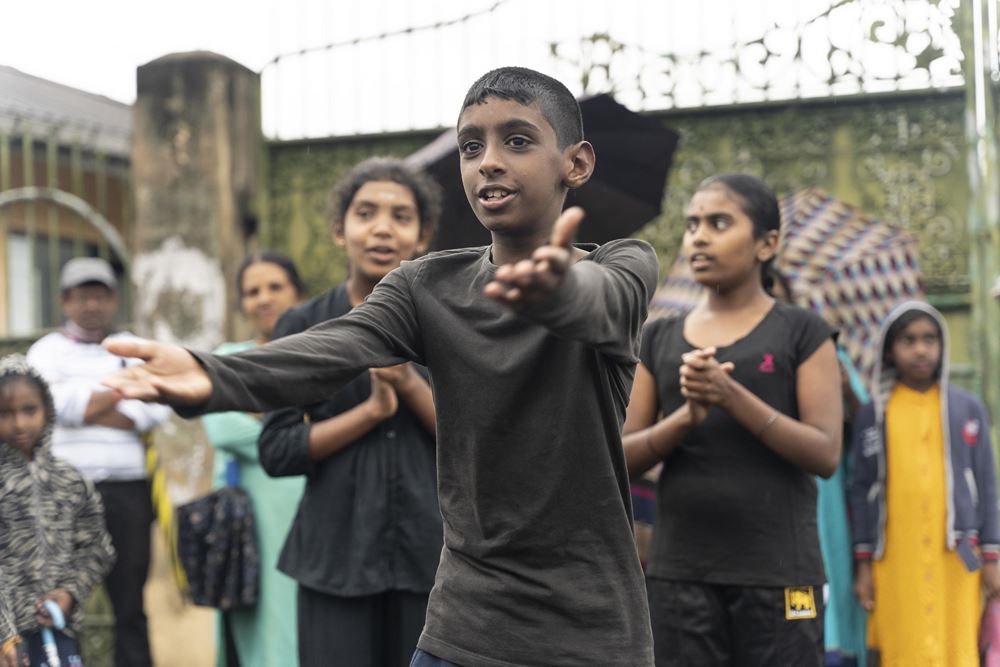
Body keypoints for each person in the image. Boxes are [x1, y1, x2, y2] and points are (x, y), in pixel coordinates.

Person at [102, 66, 659, 667]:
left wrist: (558, 292)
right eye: (472, 146)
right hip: (463, 627)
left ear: (575, 163)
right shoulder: (427, 285)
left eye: (517, 141)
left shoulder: (623, 263)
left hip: (591, 634)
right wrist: (213, 375)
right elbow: (335, 345)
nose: (489, 162)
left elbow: (603, 303)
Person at [621, 174, 843, 666]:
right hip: (681, 571)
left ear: (767, 244)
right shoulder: (659, 337)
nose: (698, 236)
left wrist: (730, 395)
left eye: (719, 223)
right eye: (692, 224)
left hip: (781, 570)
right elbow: (622, 459)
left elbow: (825, 452)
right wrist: (687, 418)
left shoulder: (803, 333)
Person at [258, 158, 442, 667]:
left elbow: (476, 444)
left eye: (401, 216)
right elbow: (276, 449)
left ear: (422, 236)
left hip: (432, 565)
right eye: (366, 213)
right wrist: (371, 412)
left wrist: (405, 379)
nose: (383, 227)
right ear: (341, 231)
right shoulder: (303, 324)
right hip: (332, 560)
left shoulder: (450, 325)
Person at [26, 257, 171, 667]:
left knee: (130, 600)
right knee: (58, 598)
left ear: (113, 300)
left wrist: (85, 403)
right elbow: (50, 409)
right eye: (82, 296)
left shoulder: (133, 348)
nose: (91, 304)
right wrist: (125, 393)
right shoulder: (46, 351)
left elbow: (158, 410)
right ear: (65, 301)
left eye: (100, 295)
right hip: (65, 493)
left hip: (129, 491)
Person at [849, 300, 1000, 666]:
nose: (920, 349)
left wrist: (993, 557)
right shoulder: (874, 414)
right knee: (902, 644)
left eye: (929, 339)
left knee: (956, 646)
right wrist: (864, 565)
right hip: (896, 556)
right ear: (890, 350)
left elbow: (987, 485)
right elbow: (861, 489)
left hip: (958, 553)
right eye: (909, 340)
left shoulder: (968, 409)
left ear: (942, 345)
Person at [201, 252, 307, 667]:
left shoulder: (325, 351)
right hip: (251, 524)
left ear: (299, 293)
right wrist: (298, 424)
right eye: (252, 291)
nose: (264, 298)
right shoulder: (230, 356)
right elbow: (222, 428)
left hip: (310, 506)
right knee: (262, 632)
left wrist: (258, 410)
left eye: (275, 287)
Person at [769, 268, 868, 667]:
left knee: (824, 569)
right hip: (765, 492)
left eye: (774, 290)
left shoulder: (824, 350)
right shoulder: (724, 353)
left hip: (822, 494)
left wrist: (844, 390)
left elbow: (867, 430)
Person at [0, 354, 116, 667]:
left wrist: (70, 593)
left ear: (48, 411)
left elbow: (97, 548)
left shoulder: (69, 481)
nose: (19, 423)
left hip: (56, 631)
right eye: (5, 413)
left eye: (29, 410)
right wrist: (4, 632)